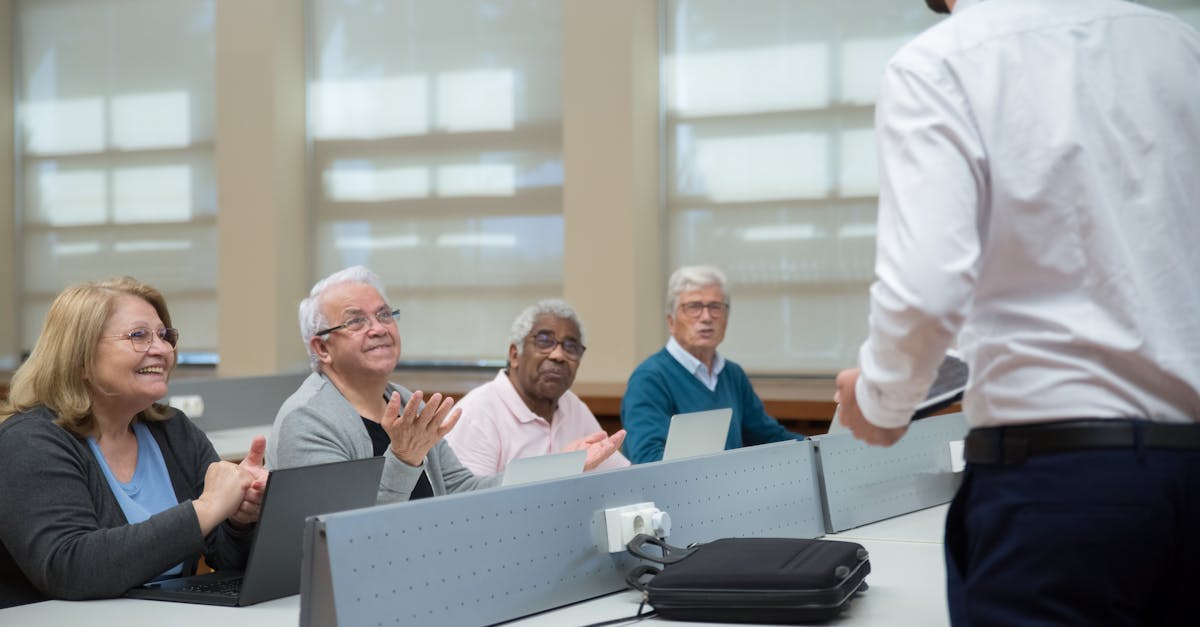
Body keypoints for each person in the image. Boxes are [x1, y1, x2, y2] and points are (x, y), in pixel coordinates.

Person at [833, 1, 1200, 625]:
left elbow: (924, 290)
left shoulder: (942, 62)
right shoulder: (1181, 47)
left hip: (1058, 490)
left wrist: (881, 403)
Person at [0, 277, 267, 609]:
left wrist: (239, 518)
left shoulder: (174, 431)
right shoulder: (30, 442)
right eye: (138, 335)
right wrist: (208, 508)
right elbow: (69, 568)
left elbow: (226, 558)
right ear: (80, 359)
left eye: (164, 335)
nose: (162, 349)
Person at [266, 266, 499, 503]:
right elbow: (344, 527)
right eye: (356, 321)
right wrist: (404, 458)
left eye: (384, 315)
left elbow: (459, 488)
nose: (378, 329)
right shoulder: (306, 420)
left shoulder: (406, 402)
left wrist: (530, 477)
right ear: (322, 348)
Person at [621, 265, 805, 464]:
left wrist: (816, 447)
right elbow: (647, 459)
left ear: (726, 319)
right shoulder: (649, 378)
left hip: (732, 488)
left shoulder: (732, 374)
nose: (707, 317)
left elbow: (769, 437)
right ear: (671, 322)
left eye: (715, 307)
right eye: (694, 307)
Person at [447, 300, 628, 476]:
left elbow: (622, 479)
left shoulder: (573, 407)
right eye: (544, 341)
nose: (559, 355)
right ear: (515, 354)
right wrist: (560, 469)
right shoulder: (477, 413)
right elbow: (470, 502)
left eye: (571, 346)